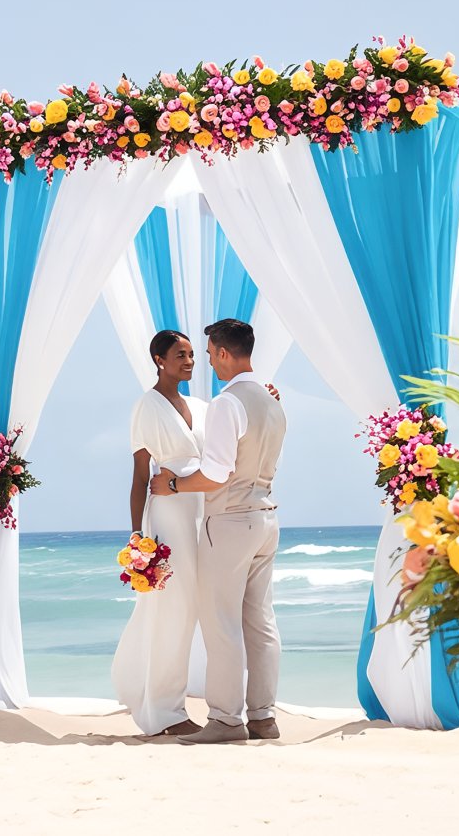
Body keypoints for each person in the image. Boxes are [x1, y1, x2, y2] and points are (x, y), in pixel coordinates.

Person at [150, 318, 287, 743]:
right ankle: (263, 717)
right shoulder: (272, 400)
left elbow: (215, 473)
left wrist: (172, 485)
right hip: (266, 516)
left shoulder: (229, 403)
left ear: (225, 353)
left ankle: (227, 720)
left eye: (209, 353)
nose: (207, 361)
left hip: (229, 522)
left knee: (221, 623)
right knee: (260, 622)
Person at [111, 330, 207, 737]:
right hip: (166, 516)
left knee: (191, 608)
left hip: (202, 510)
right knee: (174, 608)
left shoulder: (202, 407)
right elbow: (138, 477)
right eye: (180, 355)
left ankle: (147, 686)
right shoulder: (145, 408)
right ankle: (165, 711)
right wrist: (137, 538)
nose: (189, 361)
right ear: (158, 359)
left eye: (191, 355)